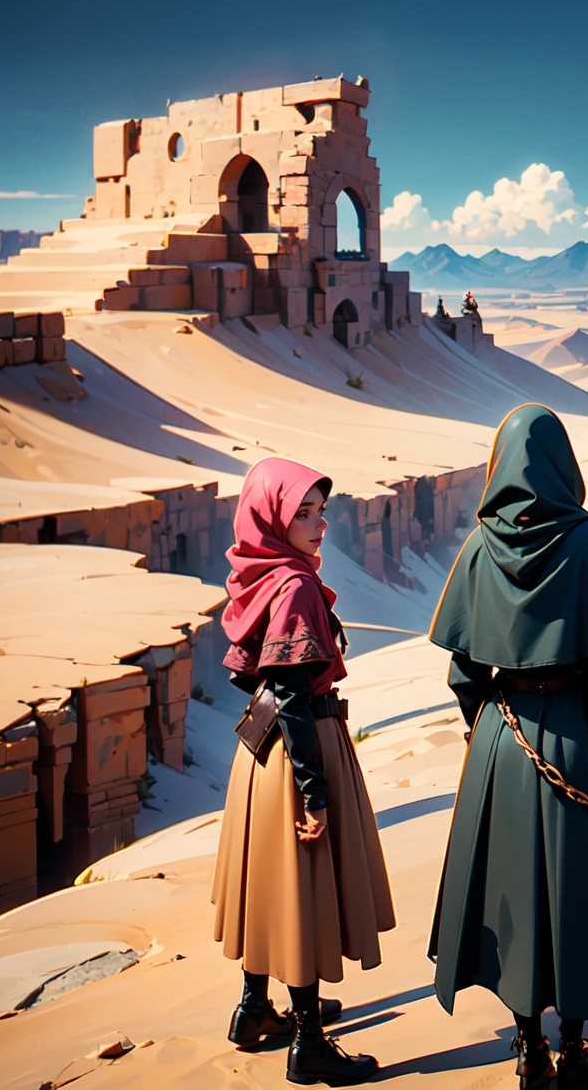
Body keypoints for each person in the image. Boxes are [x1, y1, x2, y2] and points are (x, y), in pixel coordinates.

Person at [427, 404, 588, 1090]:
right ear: (563, 465)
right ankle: (572, 1049)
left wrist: (487, 735)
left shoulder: (478, 547)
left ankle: (526, 1048)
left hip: (500, 741)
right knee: (573, 893)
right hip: (572, 739)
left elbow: (462, 671)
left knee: (510, 894)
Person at [211, 457, 395, 1086]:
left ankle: (255, 1009)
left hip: (259, 755)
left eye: (322, 511)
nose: (320, 525)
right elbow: (292, 692)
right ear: (273, 516)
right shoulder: (292, 587)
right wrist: (315, 795)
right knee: (305, 890)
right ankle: (310, 1044)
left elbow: (249, 673)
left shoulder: (257, 574)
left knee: (269, 883)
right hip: (299, 748)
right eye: (304, 513)